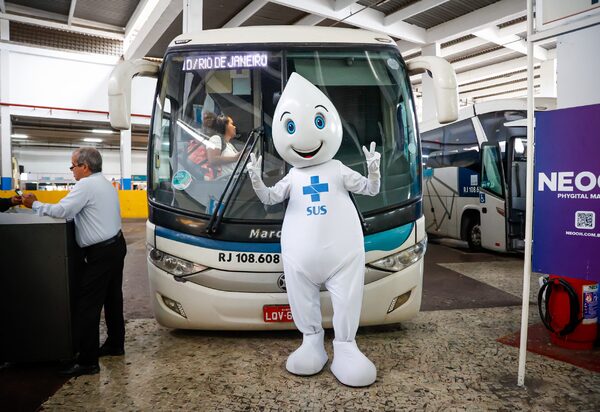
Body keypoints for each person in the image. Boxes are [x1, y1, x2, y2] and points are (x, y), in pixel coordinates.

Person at [22, 147, 127, 377]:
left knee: (87, 306)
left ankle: (88, 362)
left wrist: (35, 205)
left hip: (101, 253)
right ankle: (116, 344)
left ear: (85, 167)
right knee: (112, 298)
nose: (72, 171)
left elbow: (62, 210)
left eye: (73, 166)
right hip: (116, 244)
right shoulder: (104, 183)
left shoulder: (86, 185)